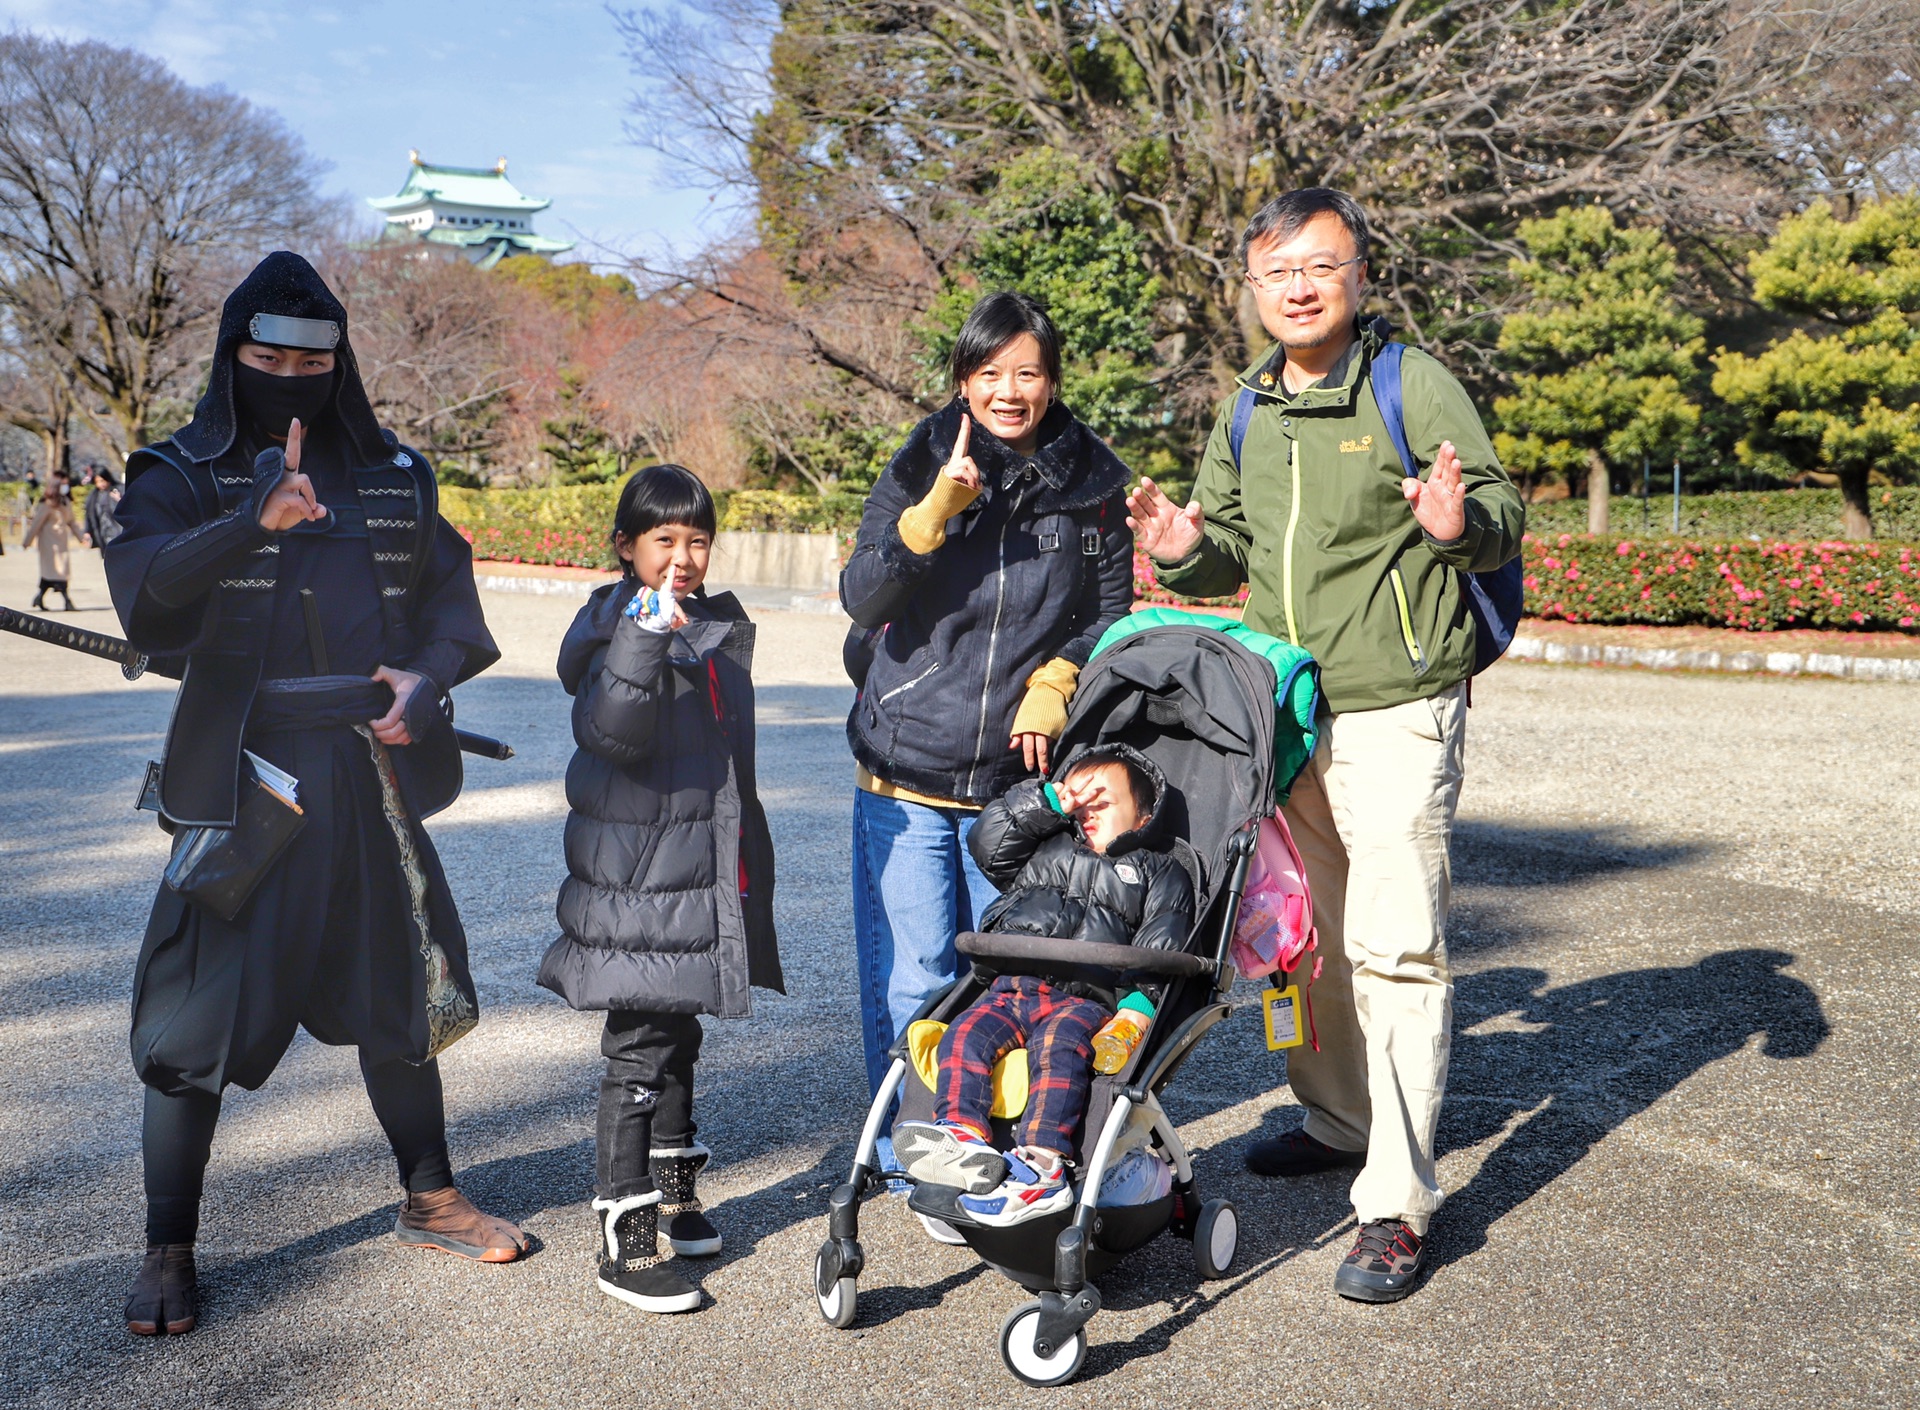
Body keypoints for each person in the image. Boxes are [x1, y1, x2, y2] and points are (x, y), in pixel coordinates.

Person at [103, 251, 527, 1338]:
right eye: (267, 356)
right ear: (230, 355)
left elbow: (452, 607)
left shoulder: (389, 473)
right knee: (192, 1016)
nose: (291, 374)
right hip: (244, 777)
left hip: (364, 769)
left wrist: (425, 683)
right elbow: (144, 603)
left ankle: (430, 1194)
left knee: (400, 989)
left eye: (312, 359)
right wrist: (252, 519)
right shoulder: (177, 472)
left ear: (341, 363)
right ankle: (168, 1245)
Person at [1128, 188, 1525, 1303]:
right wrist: (1180, 550)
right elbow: (1227, 549)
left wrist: (1459, 524)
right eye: (1275, 272)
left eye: (1319, 265)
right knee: (1311, 937)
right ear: (1251, 289)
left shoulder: (1411, 381)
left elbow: (1494, 509)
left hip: (1398, 703)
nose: (1298, 287)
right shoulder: (1248, 404)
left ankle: (1395, 1204)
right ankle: (1339, 1117)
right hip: (1288, 709)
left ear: (1358, 275)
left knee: (1398, 948)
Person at [839, 292, 1135, 1192]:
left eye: (1029, 373)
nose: (1010, 391)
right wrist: (933, 511)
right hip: (906, 766)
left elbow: (1112, 612)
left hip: (1019, 784)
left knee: (1022, 979)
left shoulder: (1091, 481)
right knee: (915, 976)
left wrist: (1056, 683)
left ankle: (1007, 1147)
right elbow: (862, 596)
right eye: (990, 373)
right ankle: (913, 1159)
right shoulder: (928, 455)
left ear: (1053, 379)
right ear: (965, 380)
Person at [538, 463, 783, 1315]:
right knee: (638, 1052)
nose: (682, 556)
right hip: (638, 883)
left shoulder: (712, 619)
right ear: (626, 548)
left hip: (693, 869)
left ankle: (676, 1198)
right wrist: (643, 637)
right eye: (663, 540)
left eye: (697, 539)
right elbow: (612, 731)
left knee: (679, 1039)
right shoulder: (618, 623)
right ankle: (624, 1234)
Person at [893, 745, 1193, 1226]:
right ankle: (963, 1138)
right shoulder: (1045, 845)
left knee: (1059, 1049)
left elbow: (1161, 947)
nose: (1087, 810)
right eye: (1080, 799)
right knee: (963, 1036)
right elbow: (986, 842)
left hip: (1084, 997)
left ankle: (1041, 1166)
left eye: (1103, 802)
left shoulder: (1158, 871)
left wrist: (1138, 1007)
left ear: (1142, 815)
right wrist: (1047, 804)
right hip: (1013, 983)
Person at [22, 480, 80, 610]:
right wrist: (27, 541)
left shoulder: (65, 502)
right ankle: (67, 601)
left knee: (58, 573)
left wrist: (81, 537)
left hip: (61, 542)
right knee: (56, 572)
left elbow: (72, 522)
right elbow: (36, 524)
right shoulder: (46, 504)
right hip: (49, 543)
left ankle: (40, 598)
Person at [82, 464, 123, 549]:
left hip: (119, 532)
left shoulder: (119, 490)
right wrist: (87, 531)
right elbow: (89, 515)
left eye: (102, 480)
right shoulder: (93, 496)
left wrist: (120, 500)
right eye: (97, 481)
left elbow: (131, 508)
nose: (101, 484)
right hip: (103, 533)